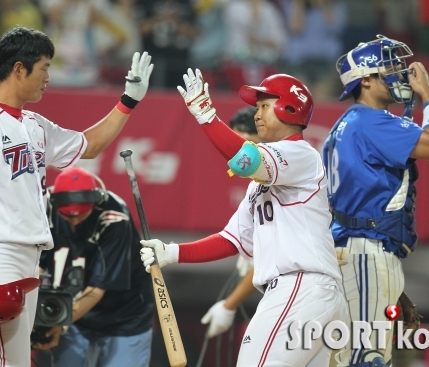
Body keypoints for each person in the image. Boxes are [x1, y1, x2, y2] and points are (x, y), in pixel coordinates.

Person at [0, 26, 153, 367]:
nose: (49, 77)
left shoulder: (34, 124)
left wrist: (128, 102)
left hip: (31, 250)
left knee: (16, 358)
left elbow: (90, 144)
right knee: (5, 359)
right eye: (45, 68)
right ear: (19, 68)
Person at [140, 69, 347, 366]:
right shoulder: (260, 183)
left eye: (264, 105)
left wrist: (206, 114)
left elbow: (244, 160)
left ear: (288, 107)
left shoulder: (300, 153)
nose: (257, 115)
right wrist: (171, 252)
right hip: (309, 293)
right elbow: (230, 240)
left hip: (300, 288)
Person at [323, 35, 429, 367]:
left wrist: (390, 288)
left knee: (354, 357)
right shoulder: (369, 120)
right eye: (388, 68)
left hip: (361, 250)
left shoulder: (346, 123)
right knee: (366, 358)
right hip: (366, 250)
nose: (398, 73)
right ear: (365, 79)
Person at [32, 167, 154, 367]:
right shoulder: (44, 207)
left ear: (95, 202)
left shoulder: (114, 218)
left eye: (81, 215)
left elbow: (98, 289)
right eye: (67, 216)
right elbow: (35, 266)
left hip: (124, 316)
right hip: (69, 310)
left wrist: (59, 326)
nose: (74, 221)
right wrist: (42, 317)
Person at [200, 106, 260, 339]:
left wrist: (229, 305)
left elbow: (266, 261)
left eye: (237, 143)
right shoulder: (256, 184)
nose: (232, 154)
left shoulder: (278, 174)